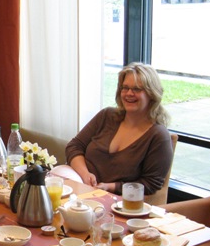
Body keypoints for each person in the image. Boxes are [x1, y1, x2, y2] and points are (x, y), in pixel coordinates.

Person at [63, 62, 173, 196]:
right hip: (81, 182)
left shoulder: (158, 136)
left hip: (117, 198)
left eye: (137, 89)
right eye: (125, 88)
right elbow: (74, 146)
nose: (129, 93)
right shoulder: (107, 115)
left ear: (151, 94)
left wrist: (111, 187)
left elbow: (151, 183)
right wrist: (85, 175)